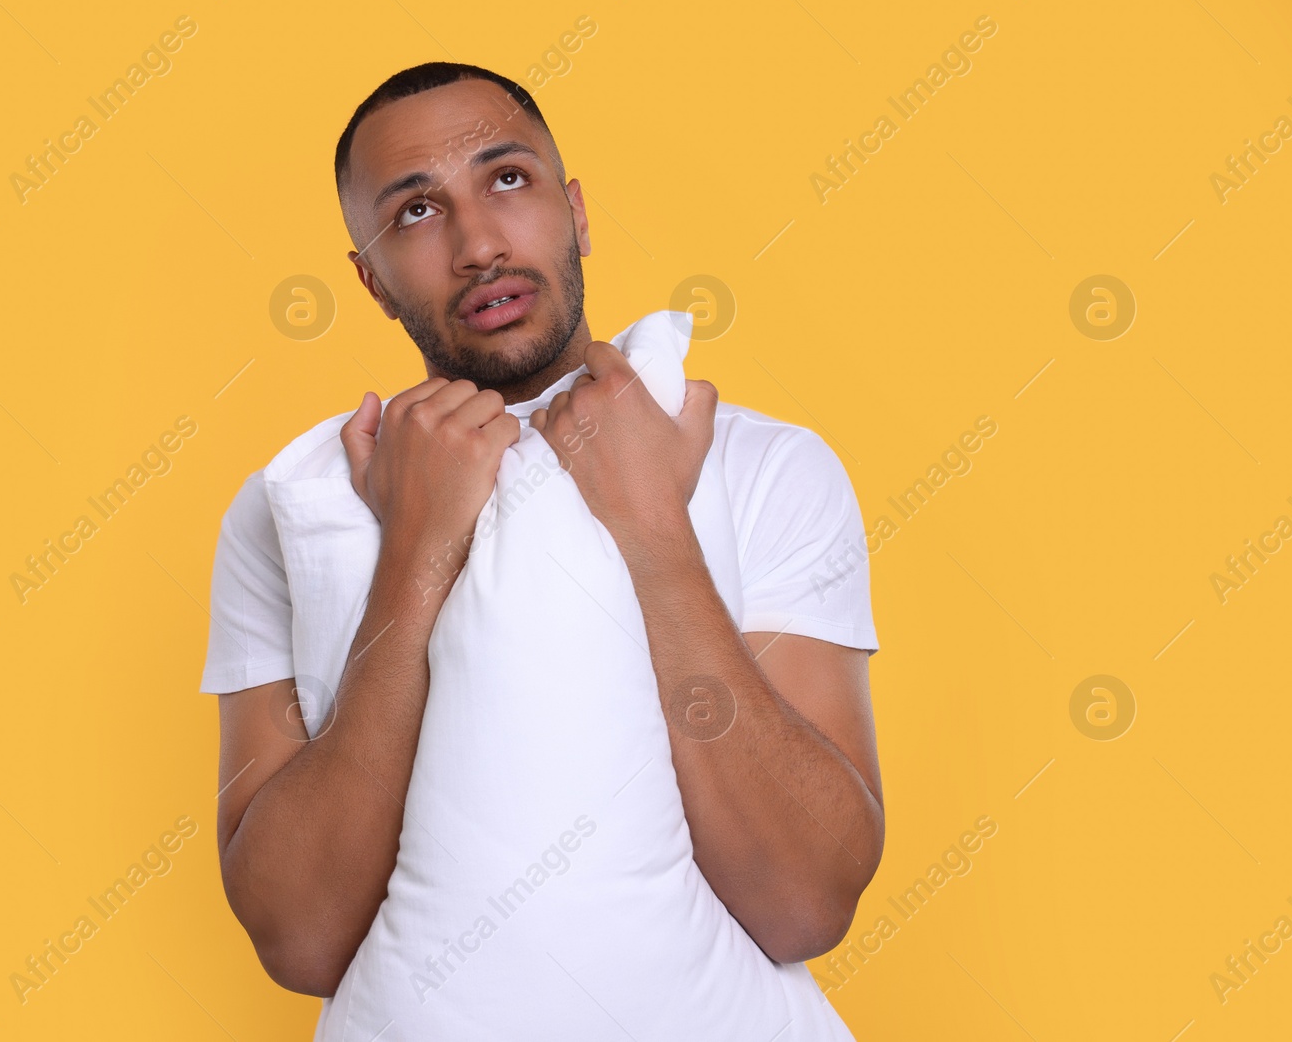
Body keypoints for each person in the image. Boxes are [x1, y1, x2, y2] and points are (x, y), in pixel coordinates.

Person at [201, 61, 884, 1023]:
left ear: (577, 214)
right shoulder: (293, 505)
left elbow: (806, 901)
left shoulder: (770, 467)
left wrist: (654, 528)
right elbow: (302, 937)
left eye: (507, 180)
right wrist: (414, 557)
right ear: (372, 282)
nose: (478, 243)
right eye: (415, 213)